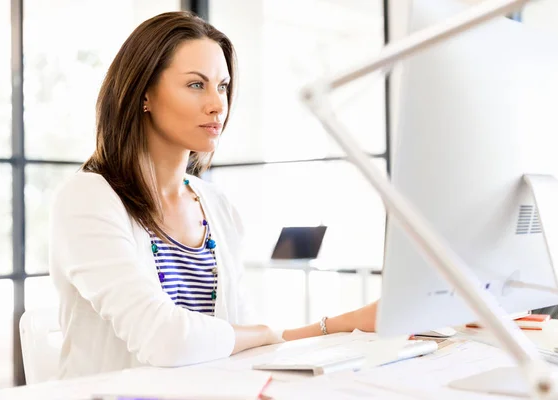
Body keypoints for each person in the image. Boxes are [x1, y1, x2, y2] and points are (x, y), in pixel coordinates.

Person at [49, 11, 379, 380]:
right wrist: (302, 329)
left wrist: (339, 325)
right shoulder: (88, 198)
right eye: (196, 85)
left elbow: (248, 340)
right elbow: (165, 340)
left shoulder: (216, 206)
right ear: (144, 94)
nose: (218, 104)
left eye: (222, 86)